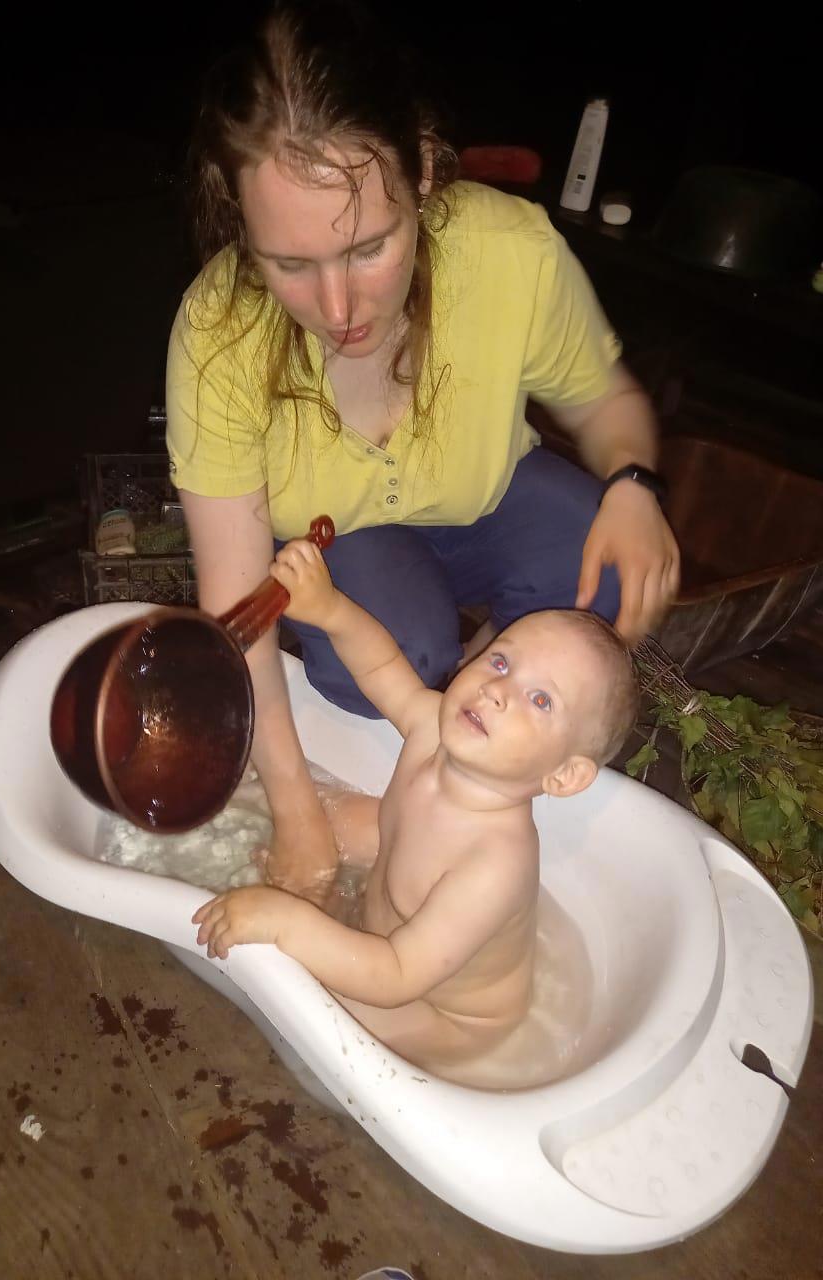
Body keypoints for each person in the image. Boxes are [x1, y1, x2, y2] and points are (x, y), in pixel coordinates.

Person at [167, 0, 678, 898]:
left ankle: (488, 743)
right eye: (290, 264)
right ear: (239, 225)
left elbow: (607, 401)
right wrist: (295, 809)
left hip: (489, 498)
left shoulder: (510, 250)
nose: (338, 309)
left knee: (596, 563)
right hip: (343, 548)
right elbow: (238, 609)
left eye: (369, 246)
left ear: (426, 174)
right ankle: (411, 745)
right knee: (399, 647)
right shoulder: (218, 331)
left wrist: (636, 484)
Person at [193, 539, 639, 1087]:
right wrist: (330, 608)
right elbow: (383, 666)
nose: (498, 690)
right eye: (501, 661)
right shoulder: (433, 726)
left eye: (541, 699)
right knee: (309, 811)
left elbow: (396, 973)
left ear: (563, 776)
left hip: (439, 1012)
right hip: (389, 925)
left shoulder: (492, 866)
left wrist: (289, 923)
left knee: (313, 1001)